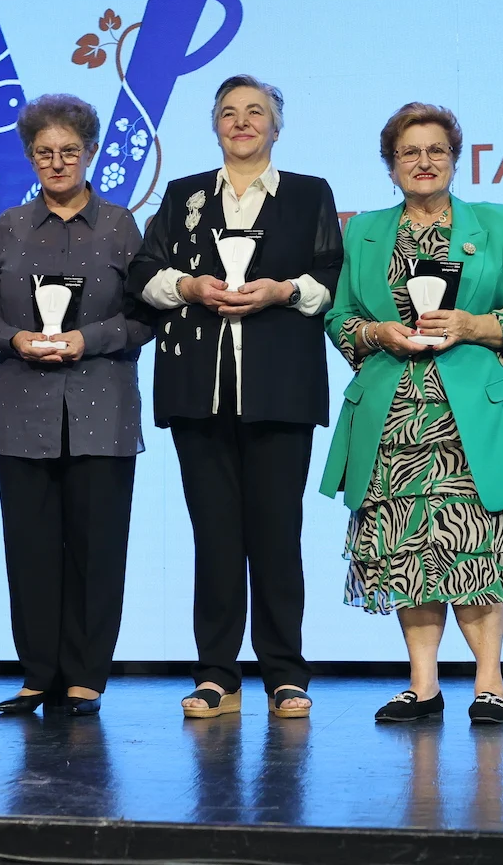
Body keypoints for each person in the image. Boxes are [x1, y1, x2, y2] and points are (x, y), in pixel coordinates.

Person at [320, 103, 503, 725]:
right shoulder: (364, 230)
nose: (423, 162)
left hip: (468, 415)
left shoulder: (494, 225)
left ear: (455, 158)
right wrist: (377, 334)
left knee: (477, 548)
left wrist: (474, 325)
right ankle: (423, 687)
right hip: (393, 420)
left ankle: (489, 684)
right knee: (405, 553)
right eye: (409, 152)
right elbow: (339, 319)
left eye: (436, 151)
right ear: (391, 166)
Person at [127, 74, 344, 719]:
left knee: (278, 537)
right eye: (229, 112)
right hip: (200, 390)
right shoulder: (184, 195)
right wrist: (189, 289)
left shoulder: (308, 195)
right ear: (214, 124)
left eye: (256, 113)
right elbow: (142, 273)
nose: (242, 122)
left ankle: (284, 673)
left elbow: (332, 277)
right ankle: (216, 673)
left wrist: (284, 291)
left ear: (277, 127)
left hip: (281, 391)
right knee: (214, 537)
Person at [0, 94, 151, 717]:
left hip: (102, 409)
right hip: (22, 411)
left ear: (90, 153)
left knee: (98, 550)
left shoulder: (121, 225)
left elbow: (147, 315)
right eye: (45, 153)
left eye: (70, 151)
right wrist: (14, 338)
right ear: (29, 157)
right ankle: (38, 673)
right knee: (31, 548)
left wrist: (87, 339)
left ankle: (86, 677)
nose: (58, 162)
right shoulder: (11, 226)